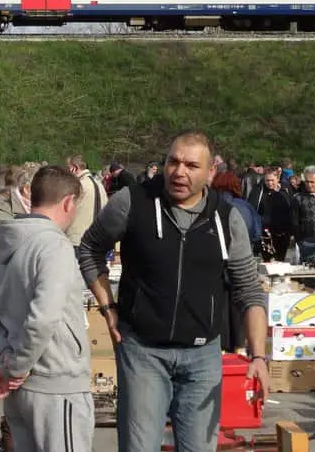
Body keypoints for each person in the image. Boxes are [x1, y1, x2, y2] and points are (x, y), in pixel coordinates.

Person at [78, 130, 268, 452]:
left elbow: (249, 289)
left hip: (203, 356)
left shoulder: (225, 218)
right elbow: (90, 248)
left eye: (191, 166)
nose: (179, 172)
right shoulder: (132, 202)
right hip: (143, 352)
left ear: (211, 173)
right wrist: (108, 308)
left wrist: (259, 355)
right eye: (173, 162)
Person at [0, 166, 93, 452]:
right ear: (68, 202)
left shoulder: (8, 246)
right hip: (56, 386)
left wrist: (9, 363)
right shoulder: (55, 247)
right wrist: (17, 366)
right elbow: (43, 318)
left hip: (22, 387)